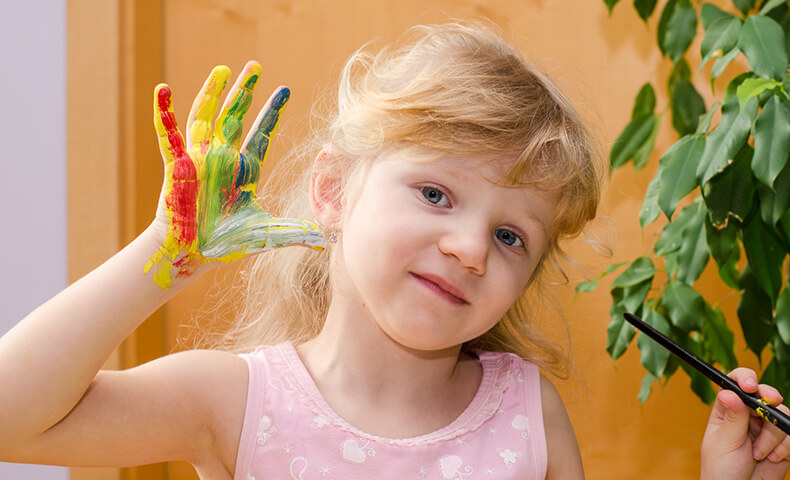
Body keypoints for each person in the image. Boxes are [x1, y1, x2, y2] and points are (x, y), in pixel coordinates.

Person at [0, 21, 787, 480]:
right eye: (437, 194)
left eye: (511, 235)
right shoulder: (234, 401)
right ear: (333, 193)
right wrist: (167, 256)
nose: (471, 247)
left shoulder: (524, 412)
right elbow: (14, 419)